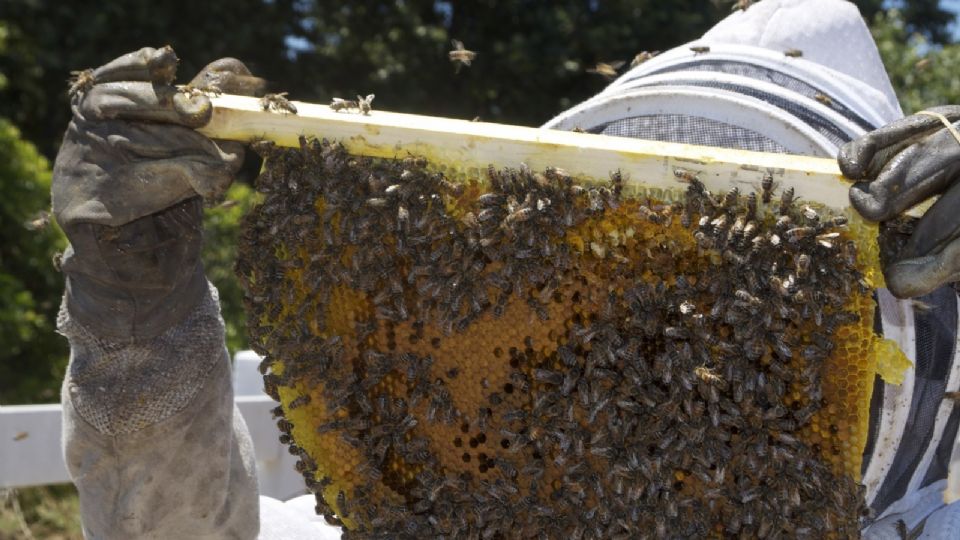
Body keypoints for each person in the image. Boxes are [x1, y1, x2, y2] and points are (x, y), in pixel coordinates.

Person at [51, 1, 959, 538]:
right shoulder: (446, 503)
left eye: (730, 300)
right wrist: (135, 317)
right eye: (610, 282)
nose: (639, 356)